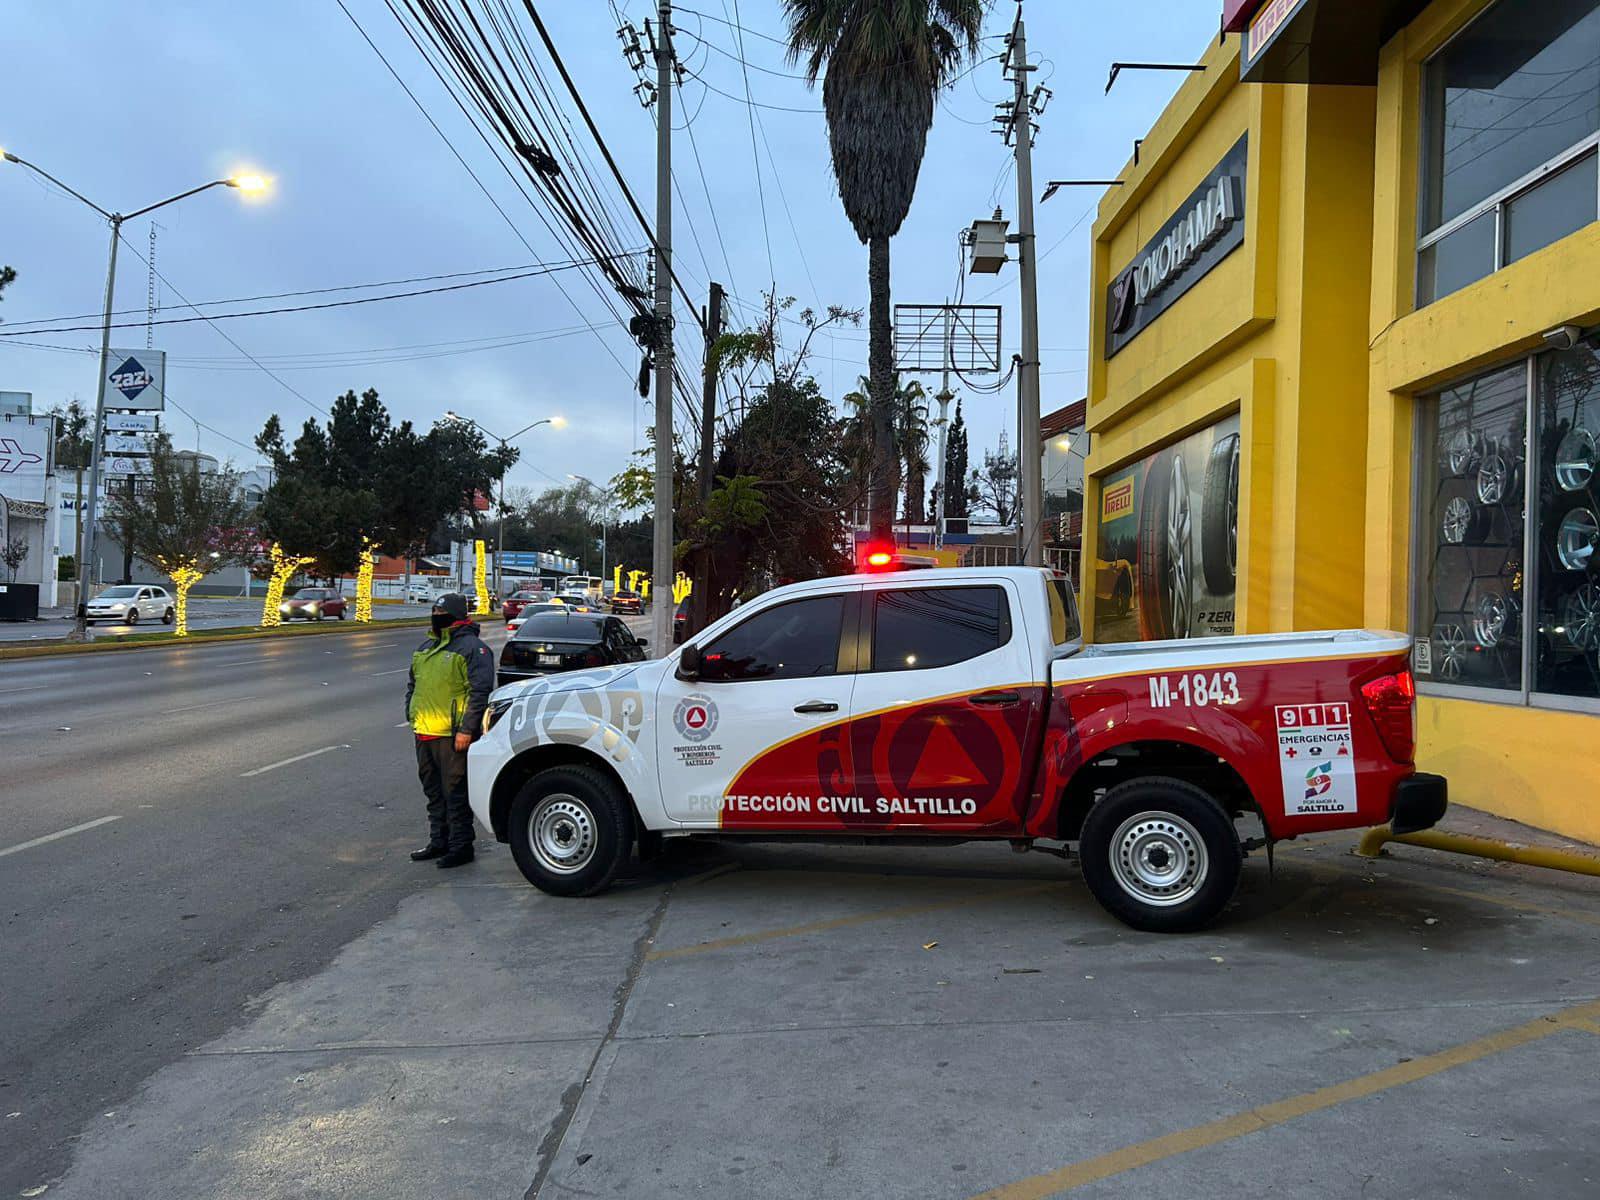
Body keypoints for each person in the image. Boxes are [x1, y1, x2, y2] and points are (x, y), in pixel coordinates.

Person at [404, 592, 494, 868]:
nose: (436, 617)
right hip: (425, 732)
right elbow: (413, 684)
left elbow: (480, 692)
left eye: (441, 613)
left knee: (454, 792)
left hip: (453, 735)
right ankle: (438, 841)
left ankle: (461, 845)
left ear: (456, 615)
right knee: (433, 792)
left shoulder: (473, 648)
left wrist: (467, 730)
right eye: (434, 612)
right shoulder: (425, 648)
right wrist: (411, 712)